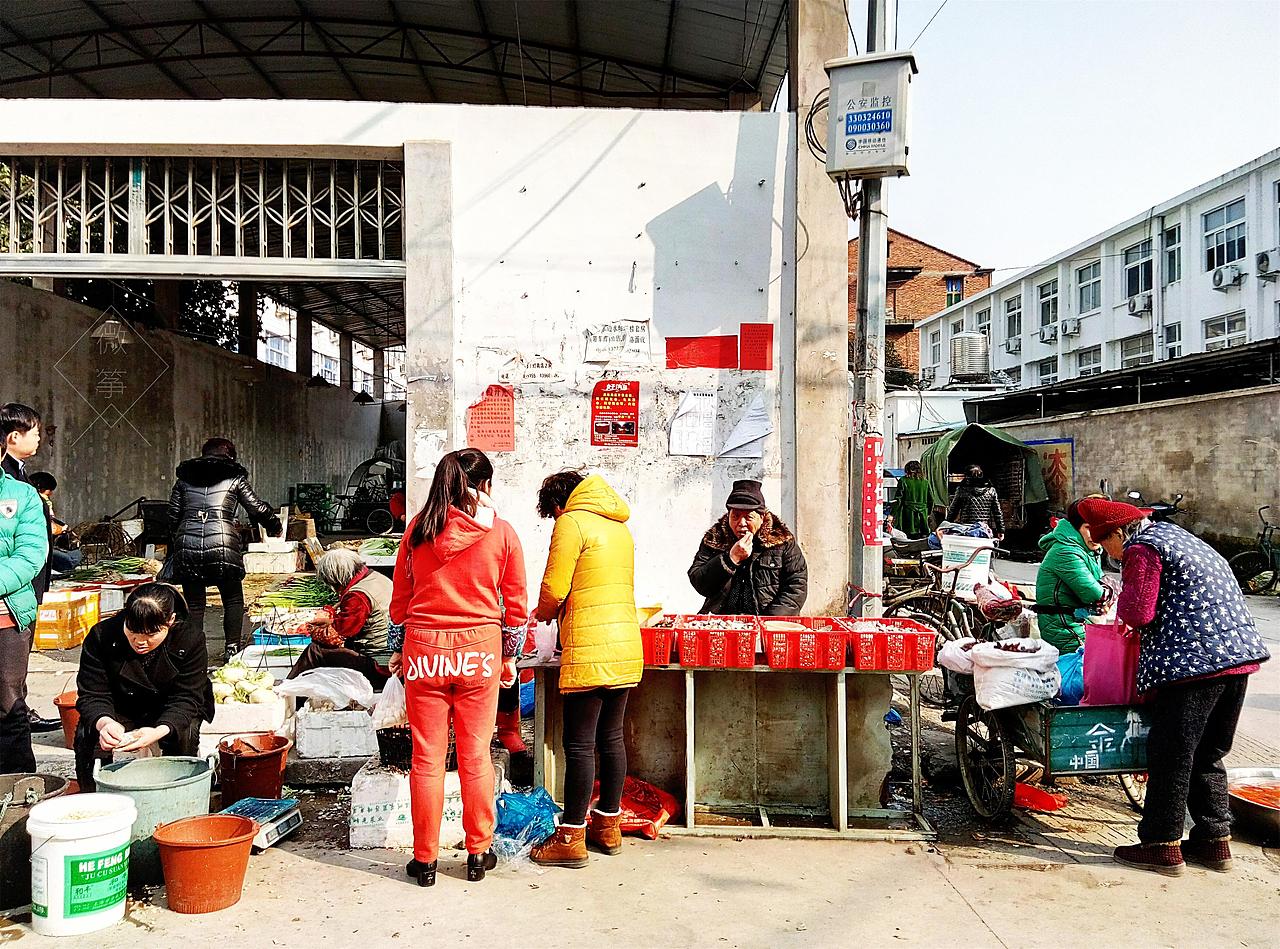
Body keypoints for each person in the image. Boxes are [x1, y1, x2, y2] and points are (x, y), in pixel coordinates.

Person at [1077, 498, 1271, 876]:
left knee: (1171, 753)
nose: (1110, 556)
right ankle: (1214, 842)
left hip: (1193, 666)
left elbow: (1137, 612)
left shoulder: (1142, 547)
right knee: (1208, 751)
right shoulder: (1180, 536)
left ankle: (1160, 845)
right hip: (1238, 657)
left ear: (1118, 533)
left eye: (1106, 546)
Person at [388, 449, 526, 887]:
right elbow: (517, 608)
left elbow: (400, 603)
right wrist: (508, 656)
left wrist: (398, 649)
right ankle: (477, 853)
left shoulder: (416, 530)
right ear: (485, 486)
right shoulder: (502, 534)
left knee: (426, 759)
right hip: (478, 653)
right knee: (475, 756)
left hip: (423, 651)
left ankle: (425, 861)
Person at [529, 470, 642, 869]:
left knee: (578, 744)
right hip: (625, 642)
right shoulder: (619, 526)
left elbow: (555, 587)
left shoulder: (571, 522)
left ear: (559, 504)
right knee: (611, 738)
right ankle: (607, 827)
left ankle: (571, 837)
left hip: (591, 645)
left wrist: (541, 614)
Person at [73, 583, 214, 791]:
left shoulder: (190, 638)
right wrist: (105, 723)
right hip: (121, 704)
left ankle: (179, 791)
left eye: (151, 634)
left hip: (170, 705)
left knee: (185, 732)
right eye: (133, 631)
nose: (140, 641)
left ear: (171, 621)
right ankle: (93, 794)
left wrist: (158, 731)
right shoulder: (102, 636)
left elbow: (188, 697)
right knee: (88, 731)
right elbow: (92, 694)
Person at [168, 437, 281, 660]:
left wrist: (180, 539)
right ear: (230, 456)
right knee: (232, 599)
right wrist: (275, 526)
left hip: (188, 545)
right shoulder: (235, 478)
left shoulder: (184, 480)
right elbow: (256, 508)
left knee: (194, 604)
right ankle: (231, 648)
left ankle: (193, 653)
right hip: (223, 544)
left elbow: (172, 516)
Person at [687, 479, 808, 616]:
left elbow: (796, 585)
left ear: (761, 517)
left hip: (768, 622)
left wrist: (770, 622)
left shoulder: (781, 541)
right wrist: (730, 559)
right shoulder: (715, 539)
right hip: (722, 621)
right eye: (736, 516)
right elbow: (699, 582)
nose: (741, 523)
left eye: (748, 517)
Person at [0, 452, 48, 773]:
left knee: (7, 702)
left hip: (7, 616)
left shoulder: (22, 495)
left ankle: (19, 788)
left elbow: (31, 554)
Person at [287, 549, 392, 690]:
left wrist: (313, 630)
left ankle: (290, 693)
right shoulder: (375, 577)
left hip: (380, 664)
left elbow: (334, 638)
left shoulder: (357, 596)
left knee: (315, 651)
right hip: (392, 656)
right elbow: (354, 623)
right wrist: (331, 622)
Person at [1034, 497, 1111, 654]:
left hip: (1079, 621)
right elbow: (1095, 593)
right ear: (1076, 528)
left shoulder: (1088, 549)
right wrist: (1109, 592)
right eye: (1089, 528)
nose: (1095, 535)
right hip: (1064, 628)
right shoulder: (1066, 551)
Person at [28, 472, 79, 576]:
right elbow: (49, 528)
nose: (50, 494)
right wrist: (62, 529)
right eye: (49, 492)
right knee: (73, 557)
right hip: (38, 548)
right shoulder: (37, 503)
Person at [946, 465, 1004, 540]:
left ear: (967, 476)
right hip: (984, 529)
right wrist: (1000, 530)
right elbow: (997, 513)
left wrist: (946, 526)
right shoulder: (991, 490)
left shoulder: (962, 490)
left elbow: (953, 511)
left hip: (967, 529)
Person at [890, 461, 931, 539]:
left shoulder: (903, 480)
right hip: (922, 515)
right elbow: (930, 500)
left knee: (907, 538)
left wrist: (892, 514)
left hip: (907, 516)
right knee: (920, 538)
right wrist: (927, 513)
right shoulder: (925, 482)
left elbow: (898, 500)